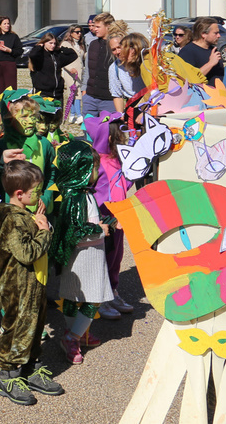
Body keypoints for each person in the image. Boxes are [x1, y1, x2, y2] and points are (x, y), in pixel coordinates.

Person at [0, 160, 60, 405]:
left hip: (35, 283)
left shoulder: (24, 214)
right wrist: (44, 231)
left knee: (34, 327)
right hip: (19, 287)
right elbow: (27, 253)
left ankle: (32, 368)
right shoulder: (13, 220)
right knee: (17, 329)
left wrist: (38, 219)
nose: (41, 195)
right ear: (20, 194)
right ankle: (9, 377)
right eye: (37, 191)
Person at [49, 139, 114, 365]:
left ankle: (77, 334)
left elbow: (84, 222)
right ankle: (73, 336)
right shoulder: (78, 197)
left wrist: (108, 222)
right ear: (81, 170)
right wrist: (100, 229)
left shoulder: (79, 194)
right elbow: (75, 231)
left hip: (83, 259)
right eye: (93, 168)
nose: (97, 173)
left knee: (72, 296)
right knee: (91, 299)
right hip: (85, 259)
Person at [84, 116, 135, 320]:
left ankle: (112, 292)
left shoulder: (117, 159)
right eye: (119, 132)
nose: (124, 136)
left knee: (116, 257)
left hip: (118, 215)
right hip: (103, 217)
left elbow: (123, 184)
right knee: (102, 258)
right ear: (110, 138)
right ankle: (99, 299)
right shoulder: (97, 162)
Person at [81, 12, 117, 117]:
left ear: (108, 27)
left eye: (98, 27)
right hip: (90, 97)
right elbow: (87, 70)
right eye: (94, 26)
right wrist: (84, 91)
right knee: (88, 130)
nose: (94, 29)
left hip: (109, 99)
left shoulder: (116, 46)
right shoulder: (93, 45)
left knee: (108, 131)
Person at [27, 33, 78, 102]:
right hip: (43, 93)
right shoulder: (40, 56)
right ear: (44, 43)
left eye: (54, 43)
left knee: (58, 112)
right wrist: (38, 46)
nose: (53, 45)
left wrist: (60, 48)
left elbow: (73, 55)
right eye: (50, 43)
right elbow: (32, 55)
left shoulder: (57, 55)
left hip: (58, 93)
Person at [177, 18, 224, 86]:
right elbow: (189, 79)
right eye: (215, 33)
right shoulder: (187, 52)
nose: (219, 36)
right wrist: (210, 63)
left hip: (218, 94)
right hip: (201, 95)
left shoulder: (213, 50)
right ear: (203, 34)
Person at [108, 33, 148, 113]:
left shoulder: (144, 63)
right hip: (133, 105)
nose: (118, 51)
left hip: (149, 103)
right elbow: (117, 95)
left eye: (119, 47)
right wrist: (120, 115)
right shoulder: (114, 68)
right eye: (113, 49)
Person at [58, 25, 86, 115]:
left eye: (80, 32)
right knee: (75, 92)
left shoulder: (80, 44)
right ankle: (78, 114)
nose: (79, 34)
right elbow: (61, 59)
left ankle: (73, 114)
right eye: (77, 32)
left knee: (75, 93)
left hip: (79, 72)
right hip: (70, 72)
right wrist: (69, 69)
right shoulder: (65, 44)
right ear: (71, 33)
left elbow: (82, 57)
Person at [0, 16, 22, 94]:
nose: (7, 25)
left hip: (10, 64)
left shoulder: (14, 37)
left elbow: (20, 51)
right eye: (4, 24)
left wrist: (9, 50)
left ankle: (11, 104)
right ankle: (0, 104)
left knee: (10, 87)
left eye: (8, 24)